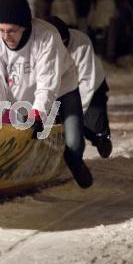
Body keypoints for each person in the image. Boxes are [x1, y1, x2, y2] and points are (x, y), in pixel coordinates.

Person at [0, 0, 93, 189]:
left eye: (11, 31)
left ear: (25, 26)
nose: (6, 37)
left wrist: (38, 114)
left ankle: (74, 160)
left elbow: (47, 84)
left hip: (62, 89)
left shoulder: (47, 36)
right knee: (22, 134)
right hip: (20, 92)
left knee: (73, 142)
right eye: (1, 30)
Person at [47, 16, 112, 158]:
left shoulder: (81, 43)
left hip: (91, 85)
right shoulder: (41, 46)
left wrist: (73, 114)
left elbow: (86, 83)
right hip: (61, 87)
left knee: (91, 122)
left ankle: (101, 137)